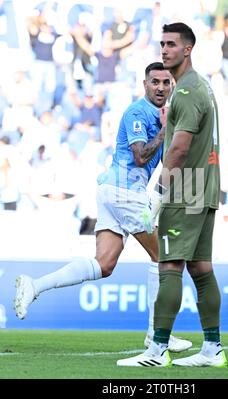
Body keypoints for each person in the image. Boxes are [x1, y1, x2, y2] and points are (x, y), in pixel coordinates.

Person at [14, 62, 192, 353]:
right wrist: (163, 130)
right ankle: (157, 335)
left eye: (166, 83)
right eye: (155, 82)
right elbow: (139, 156)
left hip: (116, 192)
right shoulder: (138, 112)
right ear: (144, 85)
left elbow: (165, 164)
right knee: (165, 257)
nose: (161, 87)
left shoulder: (163, 118)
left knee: (104, 264)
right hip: (123, 191)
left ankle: (34, 286)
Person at [117, 23, 227, 367]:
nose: (164, 50)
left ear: (187, 49)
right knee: (201, 268)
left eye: (171, 45)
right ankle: (212, 349)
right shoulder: (200, 87)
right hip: (205, 186)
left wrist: (160, 192)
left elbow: (178, 149)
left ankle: (157, 351)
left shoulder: (186, 92)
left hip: (186, 189)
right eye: (162, 44)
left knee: (168, 265)